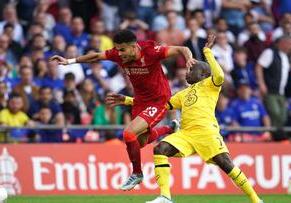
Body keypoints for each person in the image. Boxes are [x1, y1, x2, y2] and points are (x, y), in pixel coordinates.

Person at [107, 34, 263, 203]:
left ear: (203, 73)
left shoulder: (210, 85)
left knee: (226, 165)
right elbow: (162, 106)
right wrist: (128, 100)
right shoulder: (183, 93)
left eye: (191, 69)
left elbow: (219, 76)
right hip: (186, 133)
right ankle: (165, 197)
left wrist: (207, 52)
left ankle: (256, 200)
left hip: (206, 132)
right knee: (160, 150)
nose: (187, 72)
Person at [50, 29, 194, 191]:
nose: (119, 53)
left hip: (158, 100)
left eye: (122, 49)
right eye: (117, 49)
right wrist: (69, 61)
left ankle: (137, 174)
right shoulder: (118, 54)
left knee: (128, 134)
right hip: (140, 101)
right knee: (138, 143)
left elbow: (183, 49)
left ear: (134, 47)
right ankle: (170, 128)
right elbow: (96, 56)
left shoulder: (152, 51)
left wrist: (189, 60)